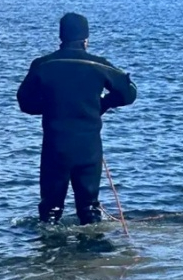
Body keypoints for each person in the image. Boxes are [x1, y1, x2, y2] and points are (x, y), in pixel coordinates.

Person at [16, 12, 137, 225]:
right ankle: (93, 254)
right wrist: (103, 104)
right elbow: (129, 94)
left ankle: (50, 253)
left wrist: (52, 107)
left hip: (55, 146)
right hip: (88, 148)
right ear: (86, 40)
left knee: (51, 211)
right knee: (89, 209)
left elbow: (24, 101)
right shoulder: (100, 65)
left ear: (61, 37)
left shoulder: (43, 64)